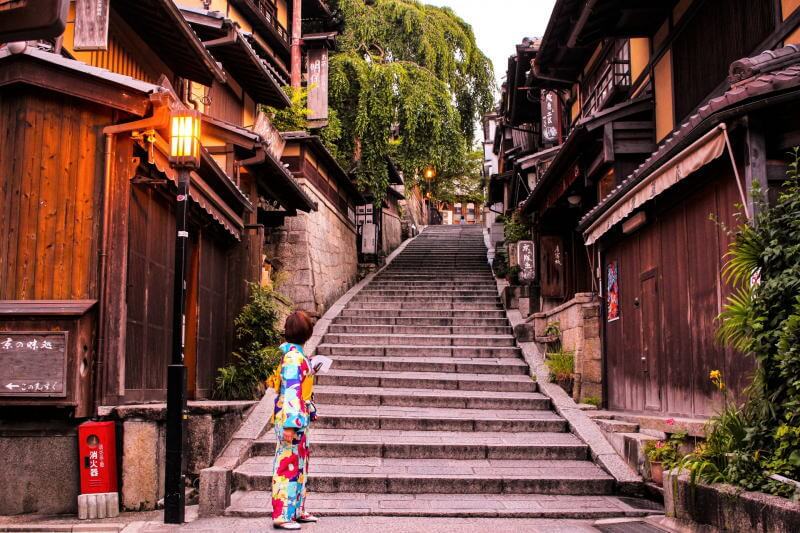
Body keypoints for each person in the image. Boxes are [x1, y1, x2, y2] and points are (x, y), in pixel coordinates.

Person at [271, 310, 317, 530]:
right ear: (307, 333)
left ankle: (296, 509)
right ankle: (282, 514)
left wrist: (310, 409)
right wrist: (290, 424)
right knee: (287, 465)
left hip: (298, 416)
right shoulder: (293, 358)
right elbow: (290, 392)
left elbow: (299, 393)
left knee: (299, 465)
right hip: (291, 419)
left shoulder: (296, 356)